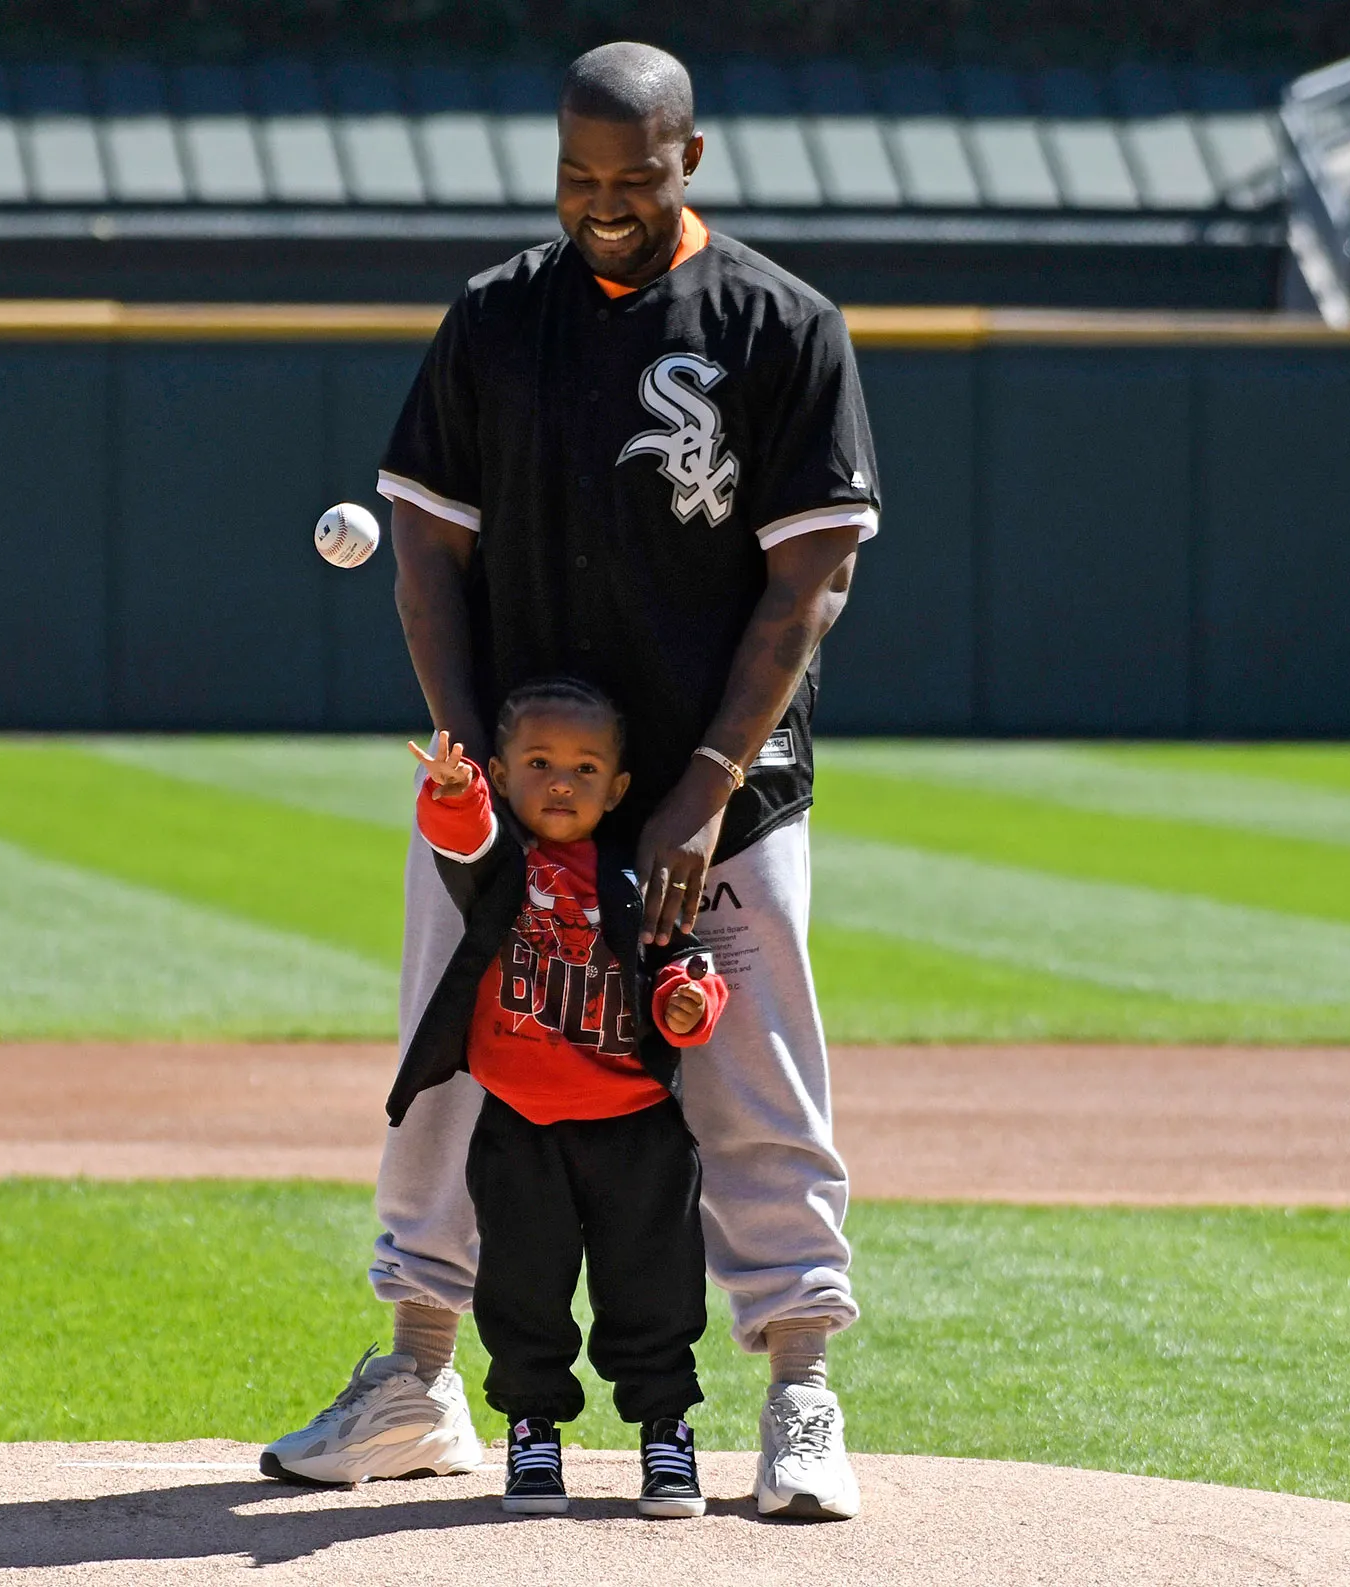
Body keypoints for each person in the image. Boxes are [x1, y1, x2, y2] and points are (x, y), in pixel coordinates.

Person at [261, 39, 879, 1521]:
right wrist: (470, 774)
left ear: (690, 161)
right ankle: (418, 1381)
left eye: (634, 176)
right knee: (448, 1077)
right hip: (512, 806)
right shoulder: (496, 318)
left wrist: (703, 787)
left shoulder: (781, 325)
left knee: (753, 1082)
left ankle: (799, 1393)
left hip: (723, 794)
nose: (602, 202)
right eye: (576, 174)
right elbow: (426, 550)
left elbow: (809, 579)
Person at [389, 684, 729, 1517]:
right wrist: (455, 791)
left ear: (618, 787)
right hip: (521, 1128)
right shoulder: (502, 867)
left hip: (637, 1131)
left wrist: (686, 1002)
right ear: (504, 775)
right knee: (522, 1293)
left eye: (584, 768)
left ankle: (665, 1431)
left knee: (654, 1291)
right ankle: (533, 1432)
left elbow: (684, 960)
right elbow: (462, 837)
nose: (562, 782)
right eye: (539, 764)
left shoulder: (639, 871)